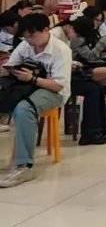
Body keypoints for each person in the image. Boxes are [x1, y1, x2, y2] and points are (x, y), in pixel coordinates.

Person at [0, 12, 72, 188]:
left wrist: (32, 78)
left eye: (32, 36)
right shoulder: (25, 45)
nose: (29, 41)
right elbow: (10, 66)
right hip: (26, 86)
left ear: (46, 30)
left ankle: (24, 165)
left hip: (53, 92)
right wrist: (9, 70)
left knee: (24, 109)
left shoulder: (61, 50)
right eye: (26, 37)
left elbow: (58, 86)